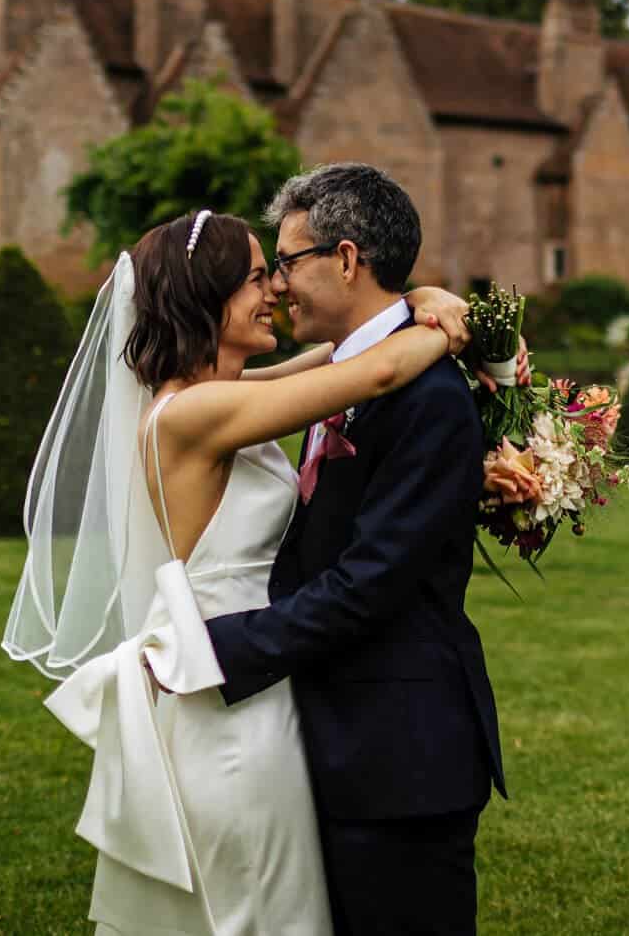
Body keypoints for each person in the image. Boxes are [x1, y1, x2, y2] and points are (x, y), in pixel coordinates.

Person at [5, 204, 475, 935]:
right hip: (232, 698)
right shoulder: (190, 416)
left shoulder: (220, 398)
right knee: (254, 905)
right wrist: (453, 331)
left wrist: (417, 299)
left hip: (259, 675)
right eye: (258, 277)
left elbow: (344, 353)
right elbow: (378, 369)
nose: (275, 291)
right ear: (209, 298)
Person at [204, 163, 505, 935]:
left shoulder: (431, 397)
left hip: (401, 757)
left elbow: (370, 582)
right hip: (340, 741)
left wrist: (216, 647)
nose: (278, 286)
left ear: (345, 259)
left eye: (287, 262)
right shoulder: (348, 373)